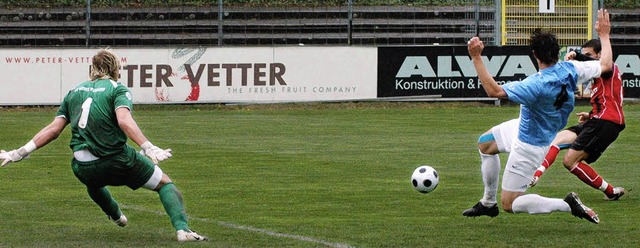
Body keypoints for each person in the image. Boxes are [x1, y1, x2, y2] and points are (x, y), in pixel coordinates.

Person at [0, 49, 208, 242]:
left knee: (94, 183)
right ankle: (183, 230)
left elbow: (53, 130)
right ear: (116, 69)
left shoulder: (74, 92)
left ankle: (116, 216)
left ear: (91, 69)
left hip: (82, 167)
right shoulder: (117, 89)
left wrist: (19, 153)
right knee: (165, 184)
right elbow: (124, 120)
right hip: (116, 160)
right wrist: (148, 146)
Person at [461, 9, 613, 224]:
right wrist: (604, 35)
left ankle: (566, 204)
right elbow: (606, 64)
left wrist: (476, 57)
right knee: (485, 144)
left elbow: (494, 92)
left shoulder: (535, 84)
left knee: (510, 203)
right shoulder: (571, 68)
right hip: (524, 126)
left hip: (530, 144)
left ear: (534, 54)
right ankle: (487, 203)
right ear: (558, 52)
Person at [530, 39, 625, 201]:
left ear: (601, 55)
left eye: (589, 54)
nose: (586, 58)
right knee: (556, 140)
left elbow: (601, 64)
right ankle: (535, 176)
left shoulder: (609, 67)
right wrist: (590, 114)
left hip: (606, 122)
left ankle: (611, 192)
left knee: (570, 161)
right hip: (598, 119)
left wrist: (579, 56)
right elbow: (609, 100)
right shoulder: (600, 75)